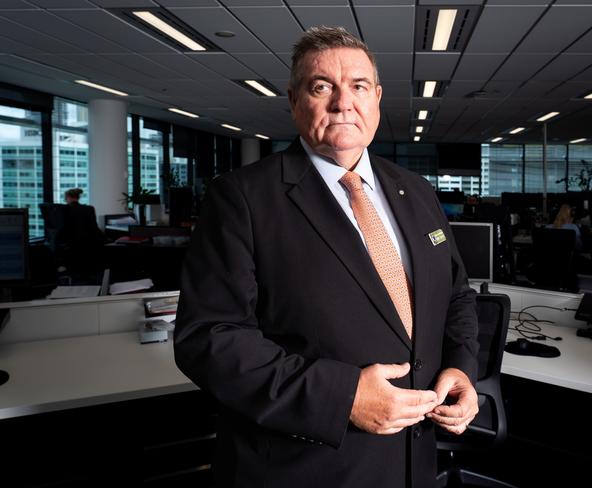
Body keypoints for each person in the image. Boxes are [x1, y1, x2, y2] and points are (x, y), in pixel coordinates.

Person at [174, 26, 479, 488]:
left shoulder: (416, 192)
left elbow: (455, 295)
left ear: (376, 97)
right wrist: (342, 397)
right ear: (295, 100)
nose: (343, 103)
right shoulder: (242, 198)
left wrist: (460, 367)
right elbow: (209, 339)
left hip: (412, 463)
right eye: (322, 88)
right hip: (306, 466)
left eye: (358, 87)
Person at [60, 188, 104, 275]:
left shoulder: (63, 210)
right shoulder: (89, 209)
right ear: (77, 197)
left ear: (68, 197)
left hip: (70, 247)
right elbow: (94, 228)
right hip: (87, 246)